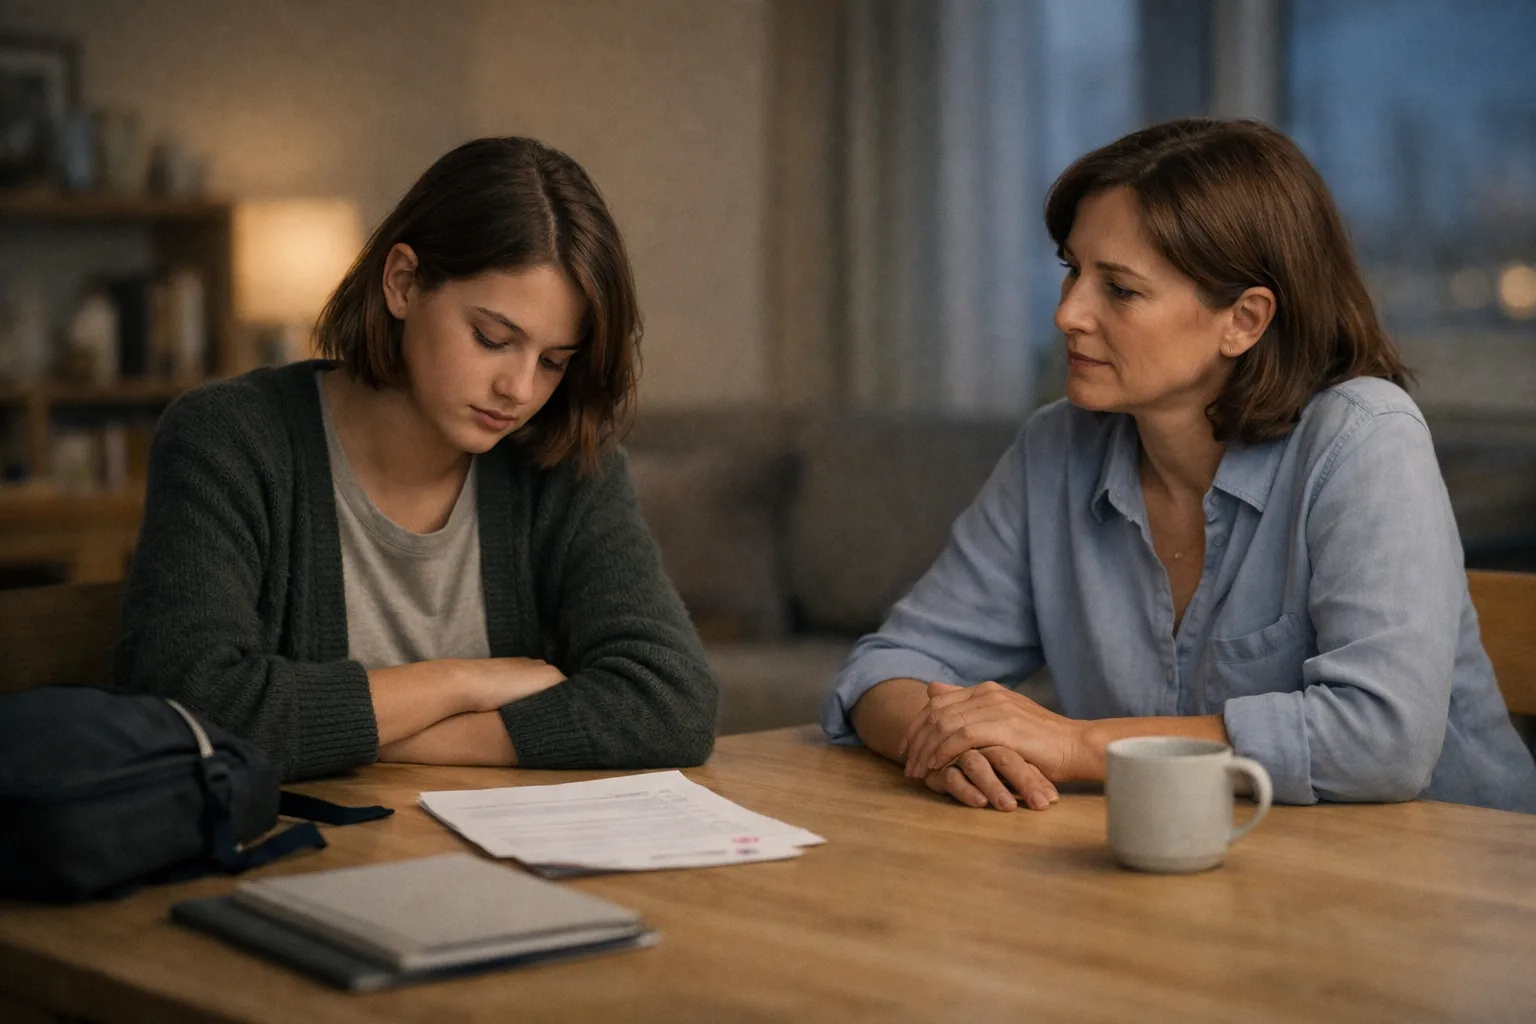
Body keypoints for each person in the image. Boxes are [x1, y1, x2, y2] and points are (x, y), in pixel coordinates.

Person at [821, 118, 1536, 815]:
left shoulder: (1365, 440)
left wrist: (1075, 746)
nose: (1068, 313)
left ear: (1244, 321)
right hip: (1207, 883)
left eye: (1119, 289)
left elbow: (1382, 740)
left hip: (1449, 894)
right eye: (1073, 271)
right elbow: (888, 667)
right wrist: (955, 743)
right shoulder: (1055, 450)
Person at [116, 137, 716, 781]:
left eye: (553, 362)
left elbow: (672, 702)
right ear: (403, 284)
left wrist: (388, 739)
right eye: (492, 338)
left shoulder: (564, 463)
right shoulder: (229, 438)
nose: (519, 390)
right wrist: (460, 684)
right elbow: (192, 707)